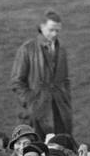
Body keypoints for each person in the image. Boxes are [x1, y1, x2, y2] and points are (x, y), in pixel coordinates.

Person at [11, 9, 73, 138]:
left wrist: (66, 99)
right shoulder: (27, 49)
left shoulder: (61, 50)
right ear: (41, 27)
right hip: (36, 113)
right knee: (35, 152)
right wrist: (31, 102)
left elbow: (65, 80)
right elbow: (17, 81)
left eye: (58, 30)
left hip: (60, 112)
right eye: (51, 30)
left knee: (61, 151)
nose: (55, 33)